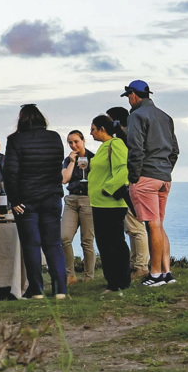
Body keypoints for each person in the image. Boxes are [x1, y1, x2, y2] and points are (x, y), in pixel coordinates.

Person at [2, 104, 68, 299]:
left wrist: (14, 200)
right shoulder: (54, 137)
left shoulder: (15, 140)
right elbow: (57, 165)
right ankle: (60, 290)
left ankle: (37, 290)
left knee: (31, 245)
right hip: (52, 197)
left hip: (26, 200)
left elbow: (10, 172)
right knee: (53, 244)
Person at [122, 80, 179, 287]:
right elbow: (174, 150)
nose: (129, 100)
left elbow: (135, 149)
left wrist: (134, 177)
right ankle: (166, 272)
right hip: (163, 177)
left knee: (152, 225)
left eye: (128, 96)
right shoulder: (165, 116)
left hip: (145, 177)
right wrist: (165, 170)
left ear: (133, 94)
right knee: (158, 224)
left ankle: (155, 275)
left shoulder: (136, 116)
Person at [86, 115, 132, 291]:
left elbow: (124, 169)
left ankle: (121, 282)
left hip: (111, 204)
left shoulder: (116, 144)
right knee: (104, 245)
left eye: (93, 129)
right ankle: (112, 281)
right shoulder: (103, 147)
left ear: (102, 129)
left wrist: (108, 188)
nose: (91, 133)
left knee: (115, 244)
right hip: (99, 203)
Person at [105, 105, 147, 275]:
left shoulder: (125, 139)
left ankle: (141, 265)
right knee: (131, 228)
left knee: (136, 228)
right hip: (130, 186)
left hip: (130, 186)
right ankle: (135, 262)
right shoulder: (127, 137)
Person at [61, 129, 96, 280]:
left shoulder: (93, 158)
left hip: (88, 199)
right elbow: (64, 179)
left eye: (76, 141)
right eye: (70, 142)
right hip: (71, 200)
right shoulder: (68, 160)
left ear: (83, 141)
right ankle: (70, 275)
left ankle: (89, 276)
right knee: (64, 238)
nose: (73, 145)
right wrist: (72, 162)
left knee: (87, 241)